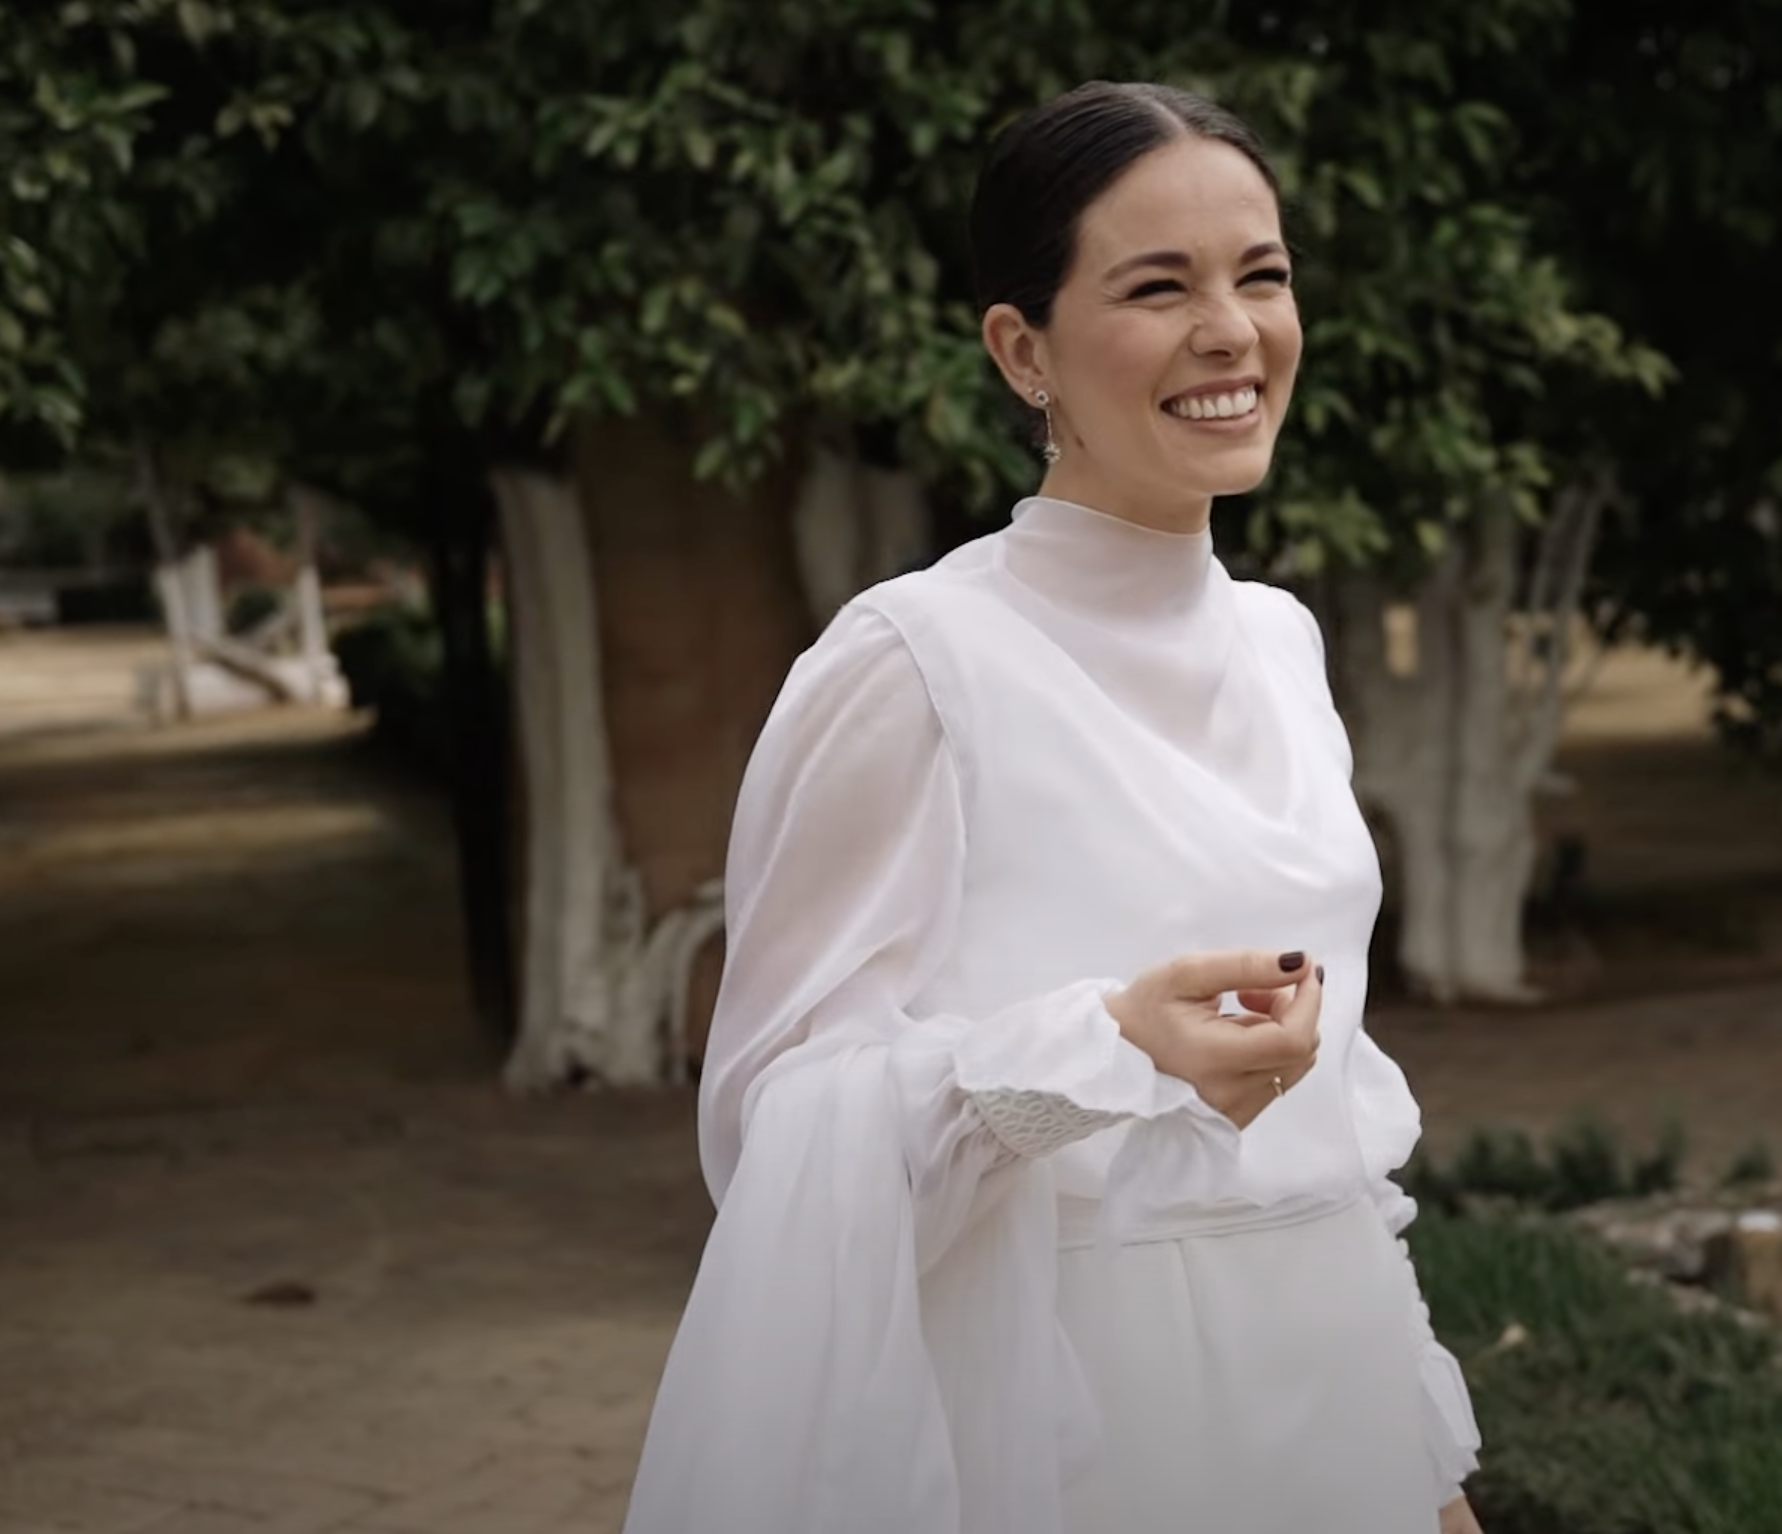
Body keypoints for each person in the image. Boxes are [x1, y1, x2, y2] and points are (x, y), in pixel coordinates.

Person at [620, 81, 1484, 1534]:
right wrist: (1095, 1045)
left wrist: (1425, 1464)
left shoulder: (1281, 642)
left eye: (1259, 276)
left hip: (1332, 1404)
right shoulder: (915, 665)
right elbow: (776, 1131)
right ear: (1023, 350)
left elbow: (1323, 1112)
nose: (1230, 332)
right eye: (1158, 288)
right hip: (1079, 1424)